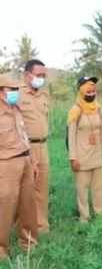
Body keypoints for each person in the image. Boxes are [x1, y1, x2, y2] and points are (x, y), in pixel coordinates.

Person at [0, 74, 38, 259]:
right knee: (5, 206)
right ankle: (1, 249)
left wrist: (33, 161)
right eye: (11, 89)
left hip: (24, 160)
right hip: (6, 164)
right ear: (1, 92)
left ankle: (28, 242)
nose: (15, 93)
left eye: (16, 89)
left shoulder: (16, 109)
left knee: (27, 205)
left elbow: (25, 136)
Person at [67, 76, 102, 223]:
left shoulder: (98, 109)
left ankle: (100, 213)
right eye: (88, 88)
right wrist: (73, 158)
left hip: (97, 154)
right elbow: (71, 137)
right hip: (81, 156)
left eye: (93, 88)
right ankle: (84, 216)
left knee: (99, 187)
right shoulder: (75, 110)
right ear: (81, 91)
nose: (91, 91)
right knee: (82, 189)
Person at [19, 60, 50, 233]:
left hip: (43, 146)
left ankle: (42, 226)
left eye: (43, 75)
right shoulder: (17, 95)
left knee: (42, 188)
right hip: (25, 148)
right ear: (27, 75)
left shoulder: (44, 96)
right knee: (25, 190)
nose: (41, 78)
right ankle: (24, 227)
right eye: (38, 75)